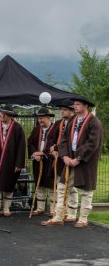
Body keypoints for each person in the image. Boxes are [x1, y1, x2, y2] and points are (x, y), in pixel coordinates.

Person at [42, 97, 102, 228]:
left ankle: (83, 218)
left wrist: (79, 158)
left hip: (85, 161)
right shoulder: (72, 121)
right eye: (74, 104)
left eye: (78, 104)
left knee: (86, 190)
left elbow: (92, 144)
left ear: (86, 106)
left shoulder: (94, 122)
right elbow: (63, 140)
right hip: (69, 160)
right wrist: (64, 156)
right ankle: (58, 217)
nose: (75, 106)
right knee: (62, 187)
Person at [0, 105, 26, 218]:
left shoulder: (17, 128)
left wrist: (19, 164)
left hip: (11, 162)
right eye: (1, 113)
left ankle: (6, 209)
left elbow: (21, 147)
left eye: (5, 114)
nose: (2, 115)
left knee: (9, 185)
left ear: (10, 116)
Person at [45, 99, 78, 221]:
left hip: (71, 159)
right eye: (61, 109)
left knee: (72, 187)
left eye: (64, 110)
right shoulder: (58, 123)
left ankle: (72, 213)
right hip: (58, 161)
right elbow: (50, 139)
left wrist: (57, 147)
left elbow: (73, 142)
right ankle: (60, 211)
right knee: (61, 186)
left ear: (71, 111)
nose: (62, 112)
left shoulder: (76, 123)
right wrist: (51, 150)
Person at [27, 107, 54, 216]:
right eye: (38, 118)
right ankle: (40, 208)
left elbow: (56, 144)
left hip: (51, 161)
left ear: (48, 117)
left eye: (42, 118)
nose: (40, 121)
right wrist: (35, 154)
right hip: (38, 162)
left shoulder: (55, 129)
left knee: (52, 185)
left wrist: (43, 153)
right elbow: (30, 143)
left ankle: (53, 209)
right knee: (39, 185)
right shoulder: (36, 129)